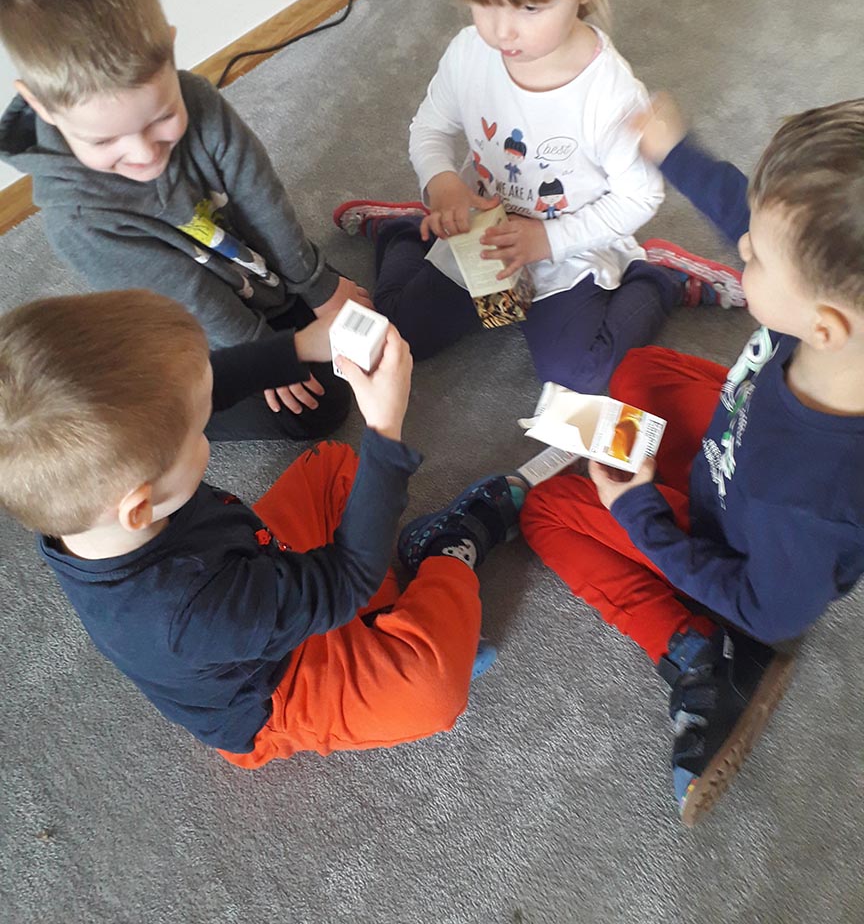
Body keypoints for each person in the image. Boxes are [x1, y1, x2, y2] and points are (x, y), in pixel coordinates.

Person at [518, 95, 864, 824]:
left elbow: (764, 603)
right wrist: (678, 152)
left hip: (738, 553)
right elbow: (749, 214)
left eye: (754, 258)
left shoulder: (808, 502)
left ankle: (697, 650)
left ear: (825, 326)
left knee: (547, 510)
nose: (741, 249)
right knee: (640, 372)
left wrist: (639, 513)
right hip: (741, 451)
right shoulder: (837, 332)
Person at [0, 289, 520, 766]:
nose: (207, 428)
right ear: (140, 506)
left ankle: (379, 616)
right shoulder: (190, 614)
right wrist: (385, 429)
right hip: (276, 684)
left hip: (258, 571)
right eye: (199, 433)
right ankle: (446, 551)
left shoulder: (83, 503)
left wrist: (300, 346)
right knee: (431, 691)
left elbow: (206, 384)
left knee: (333, 467)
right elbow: (347, 580)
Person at [333, 0, 744, 394]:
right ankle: (406, 229)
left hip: (569, 246)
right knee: (403, 330)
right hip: (483, 232)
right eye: (484, 0)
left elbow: (640, 197)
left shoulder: (608, 92)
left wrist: (547, 242)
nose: (502, 29)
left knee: (577, 373)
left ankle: (659, 279)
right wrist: (443, 184)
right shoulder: (469, 54)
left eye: (529, 7)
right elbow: (429, 128)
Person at [0, 0, 369, 442]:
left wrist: (316, 284)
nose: (144, 154)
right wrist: (264, 355)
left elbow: (261, 196)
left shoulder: (198, 98)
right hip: (193, 323)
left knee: (363, 325)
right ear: (41, 106)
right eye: (104, 140)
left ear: (171, 50)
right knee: (318, 410)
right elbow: (189, 296)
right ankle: (161, 416)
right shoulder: (78, 220)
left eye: (160, 118)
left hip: (254, 277)